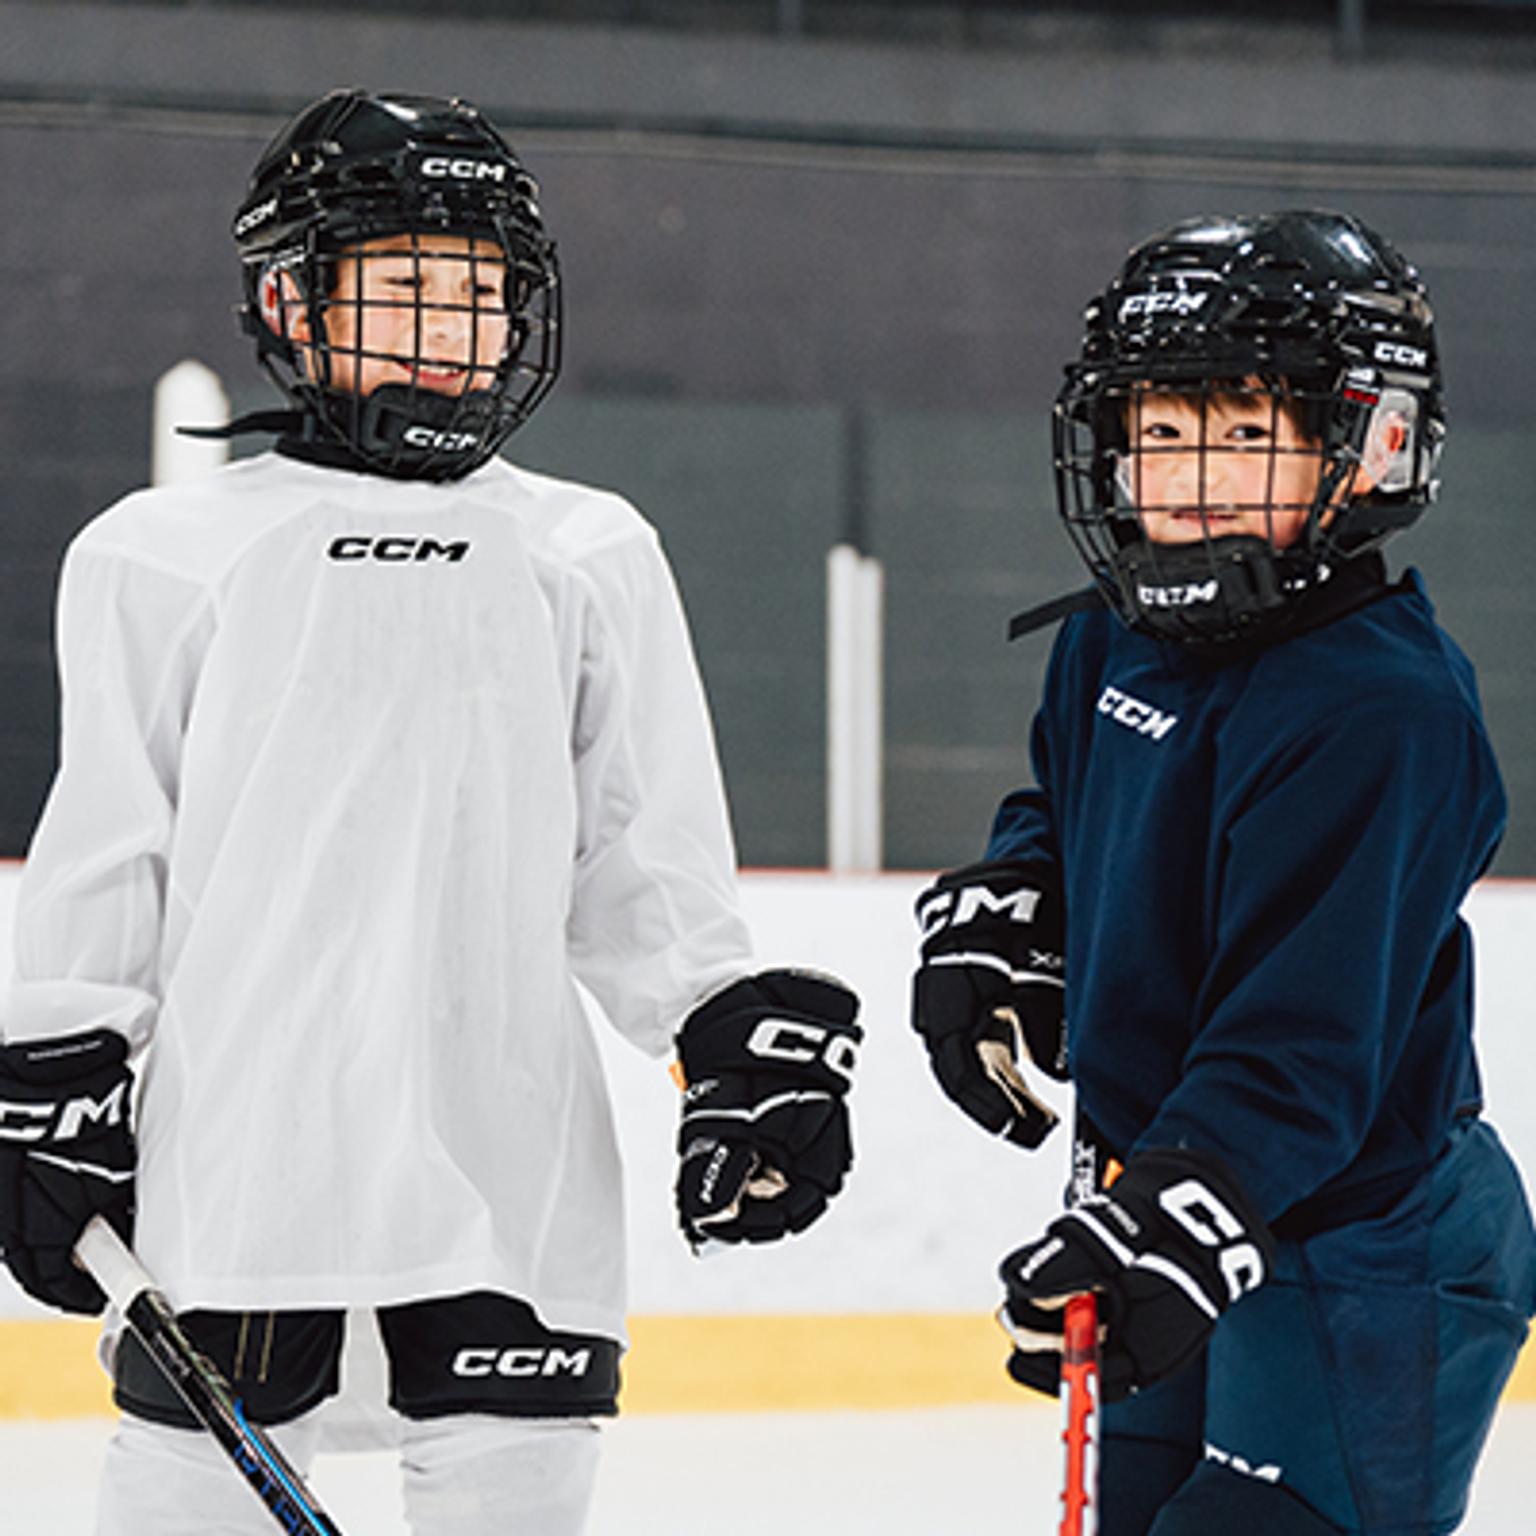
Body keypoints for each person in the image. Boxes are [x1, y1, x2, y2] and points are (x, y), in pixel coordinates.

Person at [0, 88, 861, 1536]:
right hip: (237, 1175)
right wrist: (55, 1067)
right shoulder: (160, 551)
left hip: (510, 1179)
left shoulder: (588, 549)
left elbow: (643, 862)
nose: (449, 328)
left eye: (477, 292)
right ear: (292, 298)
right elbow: (112, 851)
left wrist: (724, 1045)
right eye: (404, 287)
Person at [910, 209, 1536, 1535]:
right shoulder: (1113, 640)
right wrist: (1018, 914)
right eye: (1160, 429)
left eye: (1246, 435)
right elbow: (1063, 813)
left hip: (1365, 1244)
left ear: (1362, 446)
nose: (1188, 474)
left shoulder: (1386, 712)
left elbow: (1300, 1038)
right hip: (1185, 1189)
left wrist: (1178, 1213)